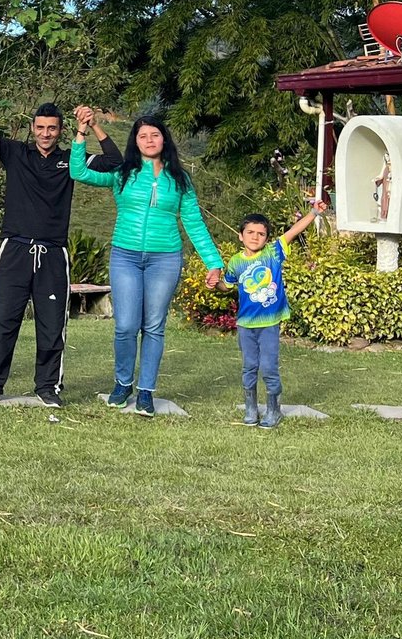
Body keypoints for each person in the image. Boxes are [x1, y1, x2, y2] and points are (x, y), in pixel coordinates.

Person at [69, 111, 225, 417]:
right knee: (126, 325)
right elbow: (80, 173)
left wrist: (213, 263)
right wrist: (81, 133)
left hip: (164, 258)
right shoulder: (122, 172)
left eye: (154, 135)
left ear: (163, 139)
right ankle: (123, 383)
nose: (149, 140)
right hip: (125, 256)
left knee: (154, 326)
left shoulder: (179, 178)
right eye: (142, 136)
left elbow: (194, 224)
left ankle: (146, 392)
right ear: (135, 141)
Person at [0, 96, 100, 408]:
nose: (46, 133)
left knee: (51, 324)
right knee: (2, 320)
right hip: (14, 249)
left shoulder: (72, 160)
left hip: (53, 254)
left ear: (60, 131)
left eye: (52, 128)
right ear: (32, 128)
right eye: (41, 127)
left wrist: (91, 127)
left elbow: (113, 161)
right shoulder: (16, 152)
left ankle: (48, 387)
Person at [224, 201, 324, 428]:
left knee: (268, 367)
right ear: (241, 236)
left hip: (269, 323)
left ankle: (273, 409)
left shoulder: (273, 253)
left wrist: (314, 213)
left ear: (267, 238)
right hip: (245, 325)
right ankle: (250, 408)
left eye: (261, 234)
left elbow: (294, 231)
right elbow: (227, 286)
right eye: (250, 232)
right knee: (249, 366)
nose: (255, 237)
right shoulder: (236, 262)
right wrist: (214, 284)